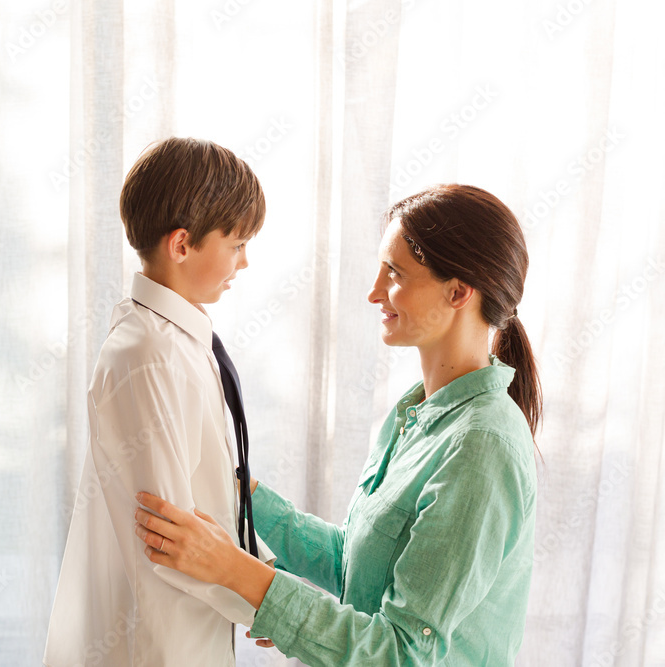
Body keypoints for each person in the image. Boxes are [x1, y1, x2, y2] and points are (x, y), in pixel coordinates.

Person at [134, 184, 543, 665]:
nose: (374, 292)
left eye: (394, 273)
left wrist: (237, 573)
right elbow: (353, 563)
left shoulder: (481, 446)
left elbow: (398, 654)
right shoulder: (415, 414)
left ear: (458, 292)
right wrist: (242, 495)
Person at [44, 137, 276, 667]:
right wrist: (264, 602)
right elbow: (170, 535)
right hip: (156, 642)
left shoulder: (176, 341)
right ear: (182, 245)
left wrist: (260, 574)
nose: (244, 262)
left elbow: (207, 500)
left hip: (189, 629)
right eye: (237, 244)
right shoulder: (149, 354)